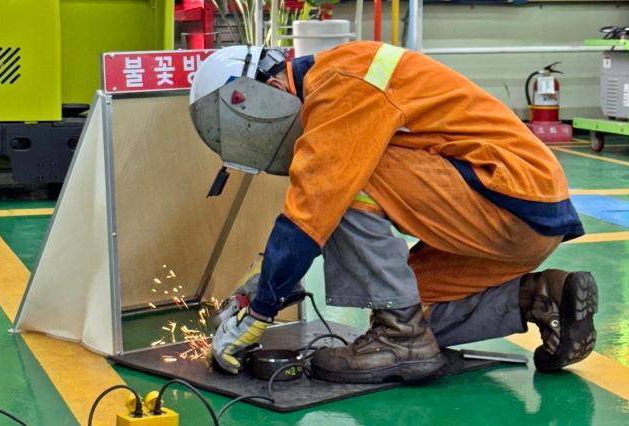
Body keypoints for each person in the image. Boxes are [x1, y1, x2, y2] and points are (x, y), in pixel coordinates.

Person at [188, 42, 598, 384]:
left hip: (508, 192)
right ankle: (540, 297)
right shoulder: (337, 89)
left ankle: (400, 338)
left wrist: (260, 312)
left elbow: (316, 203)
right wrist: (267, 284)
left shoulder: (339, 82)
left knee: (341, 180)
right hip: (523, 217)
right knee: (419, 318)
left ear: (269, 88)